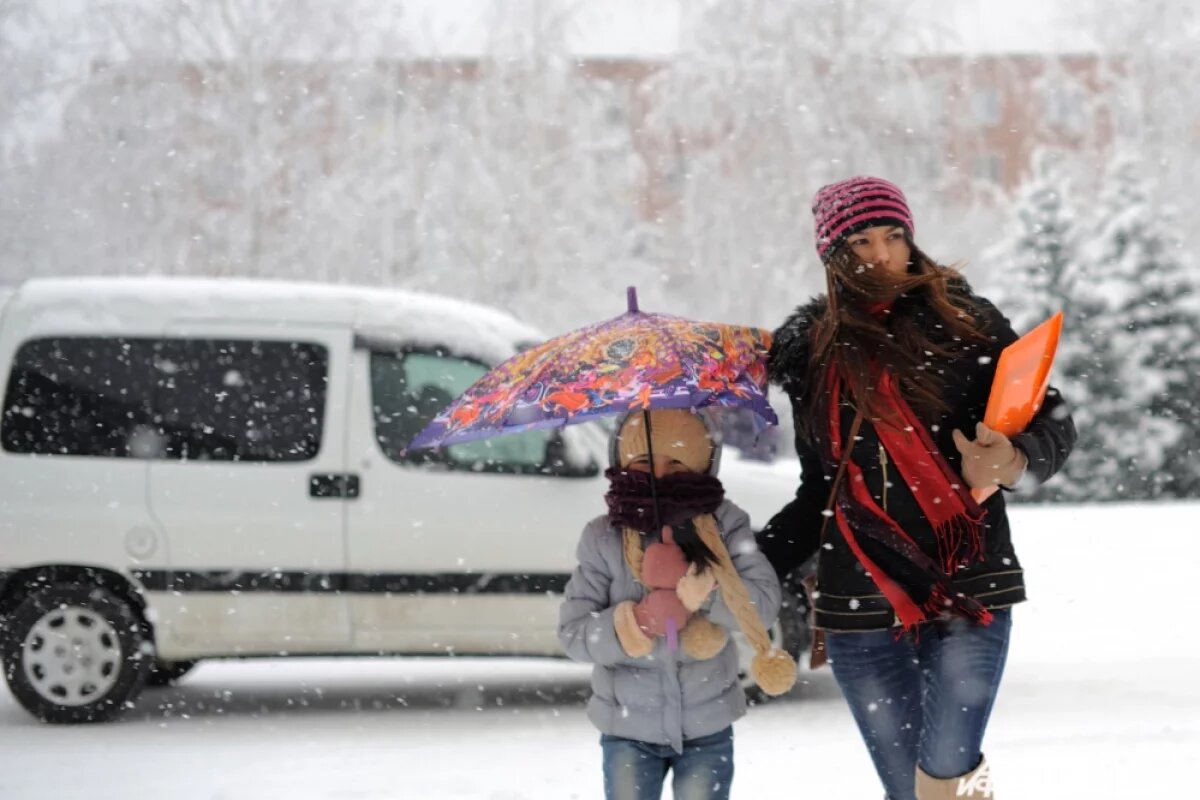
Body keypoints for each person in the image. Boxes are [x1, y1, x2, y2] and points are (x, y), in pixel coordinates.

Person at [760, 176, 1077, 800]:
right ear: (831, 256)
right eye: (860, 243)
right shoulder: (812, 355)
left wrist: (1013, 459)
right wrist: (751, 563)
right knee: (910, 792)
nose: (880, 255)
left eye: (893, 236)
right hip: (858, 596)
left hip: (966, 579)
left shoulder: (966, 323)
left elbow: (1052, 420)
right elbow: (817, 491)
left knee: (942, 772)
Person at [559, 408, 796, 800]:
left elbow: (765, 605)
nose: (661, 474)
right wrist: (636, 622)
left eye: (677, 461)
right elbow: (573, 632)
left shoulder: (726, 524)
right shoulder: (603, 538)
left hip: (708, 725)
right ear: (622, 461)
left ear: (703, 462)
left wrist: (702, 590)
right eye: (645, 461)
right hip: (627, 730)